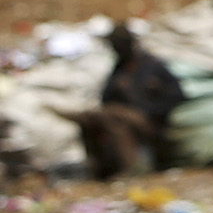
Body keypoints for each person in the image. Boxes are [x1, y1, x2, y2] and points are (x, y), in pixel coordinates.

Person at [66, 23, 184, 178]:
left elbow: (177, 95)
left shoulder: (152, 66)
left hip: (150, 120)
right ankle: (99, 170)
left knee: (114, 117)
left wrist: (153, 110)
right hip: (121, 116)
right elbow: (106, 98)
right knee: (94, 120)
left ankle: (132, 169)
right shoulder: (119, 70)